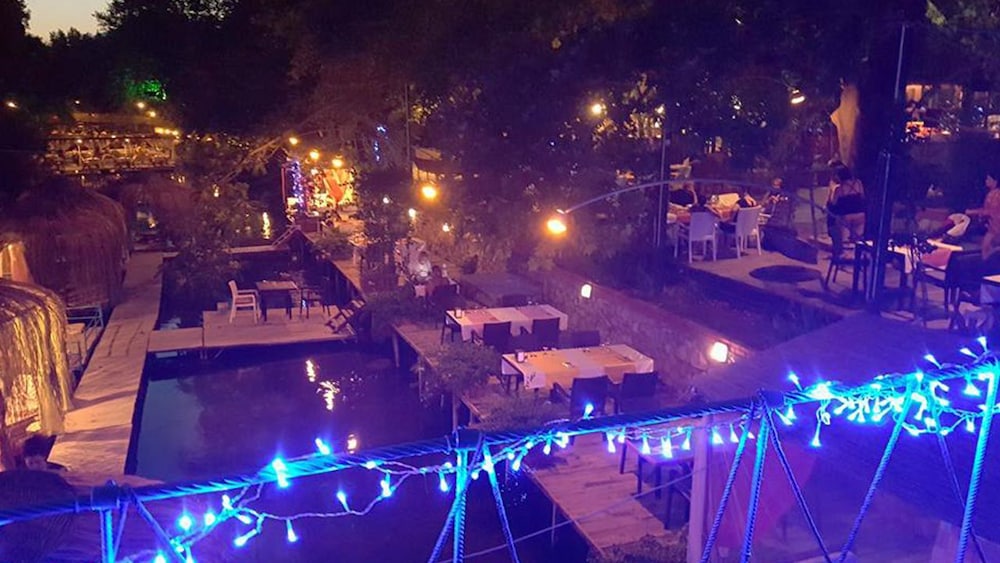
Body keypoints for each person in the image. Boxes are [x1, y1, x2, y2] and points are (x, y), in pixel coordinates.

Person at [826, 165, 866, 257]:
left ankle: (845, 256)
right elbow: (863, 197)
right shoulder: (858, 183)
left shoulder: (839, 188)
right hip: (860, 214)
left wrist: (831, 190)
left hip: (846, 215)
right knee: (858, 238)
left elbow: (833, 203)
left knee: (845, 239)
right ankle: (858, 257)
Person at [966, 172, 1000, 259]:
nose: (986, 181)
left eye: (989, 179)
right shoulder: (993, 194)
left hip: (995, 227)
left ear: (995, 181)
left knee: (986, 248)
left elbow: (991, 211)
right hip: (993, 226)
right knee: (988, 248)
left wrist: (972, 212)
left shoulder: (995, 195)